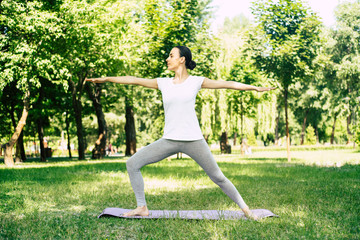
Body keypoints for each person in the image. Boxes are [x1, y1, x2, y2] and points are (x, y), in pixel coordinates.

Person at [86, 46, 275, 220]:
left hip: (193, 140)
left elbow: (226, 84)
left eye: (171, 56)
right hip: (169, 140)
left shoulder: (196, 81)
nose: (167, 59)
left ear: (182, 59)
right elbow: (133, 80)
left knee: (218, 177)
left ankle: (246, 210)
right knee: (132, 163)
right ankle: (141, 207)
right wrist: (106, 79)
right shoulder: (163, 83)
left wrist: (254, 87)